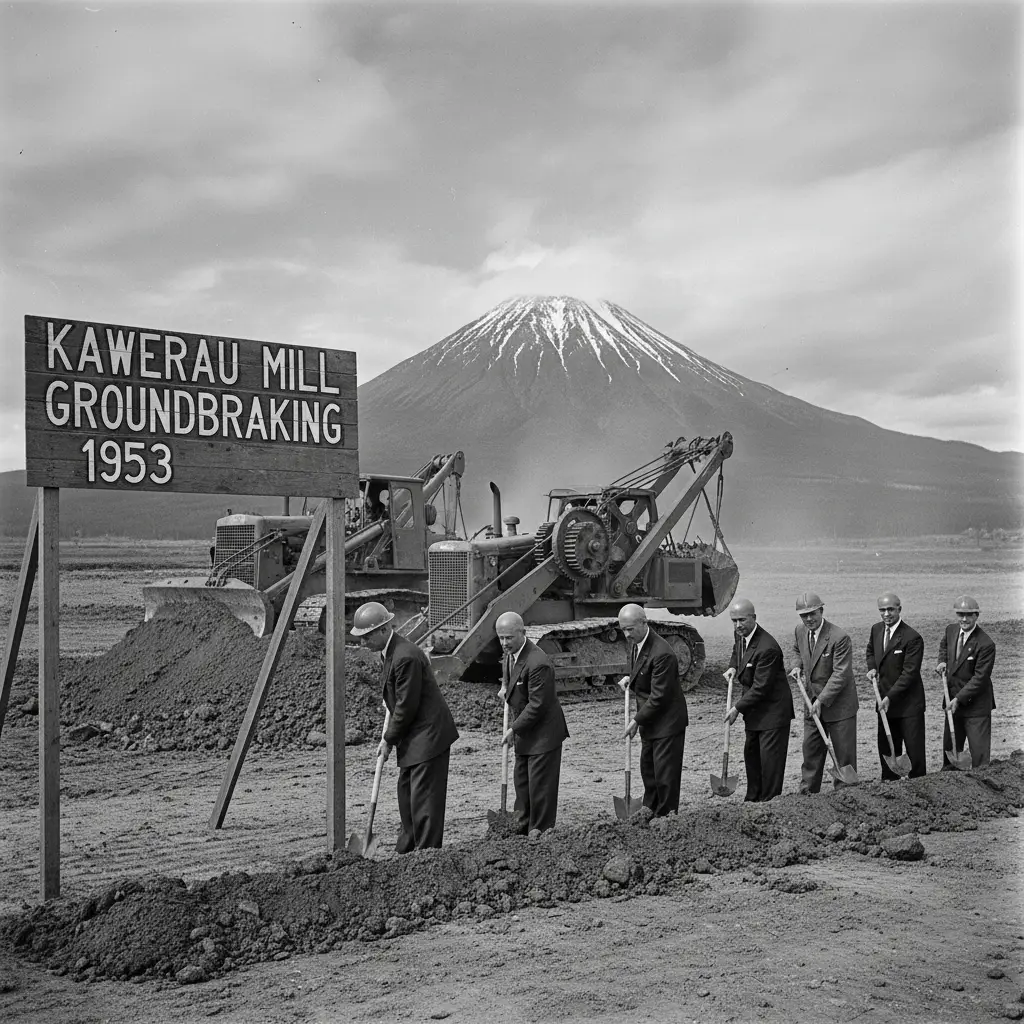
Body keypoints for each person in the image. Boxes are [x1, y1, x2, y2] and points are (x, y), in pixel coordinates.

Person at [350, 601, 459, 853]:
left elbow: (406, 707)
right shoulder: (389, 652)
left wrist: (388, 739)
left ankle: (427, 854)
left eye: (366, 636)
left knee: (424, 801)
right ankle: (407, 850)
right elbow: (399, 698)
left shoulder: (405, 656)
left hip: (428, 736)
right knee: (407, 795)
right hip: (414, 736)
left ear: (383, 630)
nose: (362, 642)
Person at [495, 611, 569, 837]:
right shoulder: (510, 654)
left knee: (540, 789)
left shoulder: (538, 663)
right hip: (526, 732)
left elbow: (537, 705)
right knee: (523, 784)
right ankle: (521, 828)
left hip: (543, 735)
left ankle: (541, 834)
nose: (504, 643)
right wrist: (505, 689)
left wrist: (513, 729)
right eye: (501, 638)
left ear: (523, 633)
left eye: (509, 638)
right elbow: (510, 677)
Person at [617, 603, 688, 816]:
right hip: (651, 721)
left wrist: (636, 720)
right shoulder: (637, 643)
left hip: (667, 722)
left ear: (644, 623)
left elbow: (658, 696)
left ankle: (666, 817)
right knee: (649, 771)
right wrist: (632, 678)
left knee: (665, 775)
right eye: (623, 629)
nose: (626, 634)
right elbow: (644, 671)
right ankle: (649, 812)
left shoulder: (662, 653)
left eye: (630, 628)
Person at [724, 597, 794, 802]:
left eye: (742, 620)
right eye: (734, 621)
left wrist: (737, 707)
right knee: (752, 756)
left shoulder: (768, 648)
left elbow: (761, 687)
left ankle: (770, 802)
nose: (738, 625)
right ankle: (753, 799)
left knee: (770, 762)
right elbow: (738, 651)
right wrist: (732, 667)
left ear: (754, 618)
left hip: (773, 713)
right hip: (755, 711)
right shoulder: (741, 634)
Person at [787, 591, 858, 793]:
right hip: (811, 702)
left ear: (821, 611)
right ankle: (808, 791)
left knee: (843, 755)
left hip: (839, 707)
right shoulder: (800, 631)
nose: (809, 619)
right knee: (811, 751)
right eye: (804, 615)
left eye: (812, 613)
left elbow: (840, 674)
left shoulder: (839, 637)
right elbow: (796, 650)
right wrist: (796, 665)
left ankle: (847, 792)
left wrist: (821, 700)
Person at [865, 592, 926, 779]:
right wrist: (872, 668)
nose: (886, 614)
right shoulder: (876, 629)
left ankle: (920, 787)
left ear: (899, 609)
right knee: (887, 749)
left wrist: (889, 697)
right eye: (882, 610)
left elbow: (909, 673)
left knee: (914, 752)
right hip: (884, 703)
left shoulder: (912, 637)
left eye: (890, 609)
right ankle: (890, 788)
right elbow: (870, 651)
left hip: (908, 705)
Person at [935, 595, 996, 768]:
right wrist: (942, 661)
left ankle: (983, 788)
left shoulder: (986, 644)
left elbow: (980, 678)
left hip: (976, 706)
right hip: (952, 700)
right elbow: (944, 646)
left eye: (969, 615)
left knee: (979, 757)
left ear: (977, 615)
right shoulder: (951, 630)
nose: (964, 619)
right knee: (950, 752)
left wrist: (958, 699)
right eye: (960, 614)